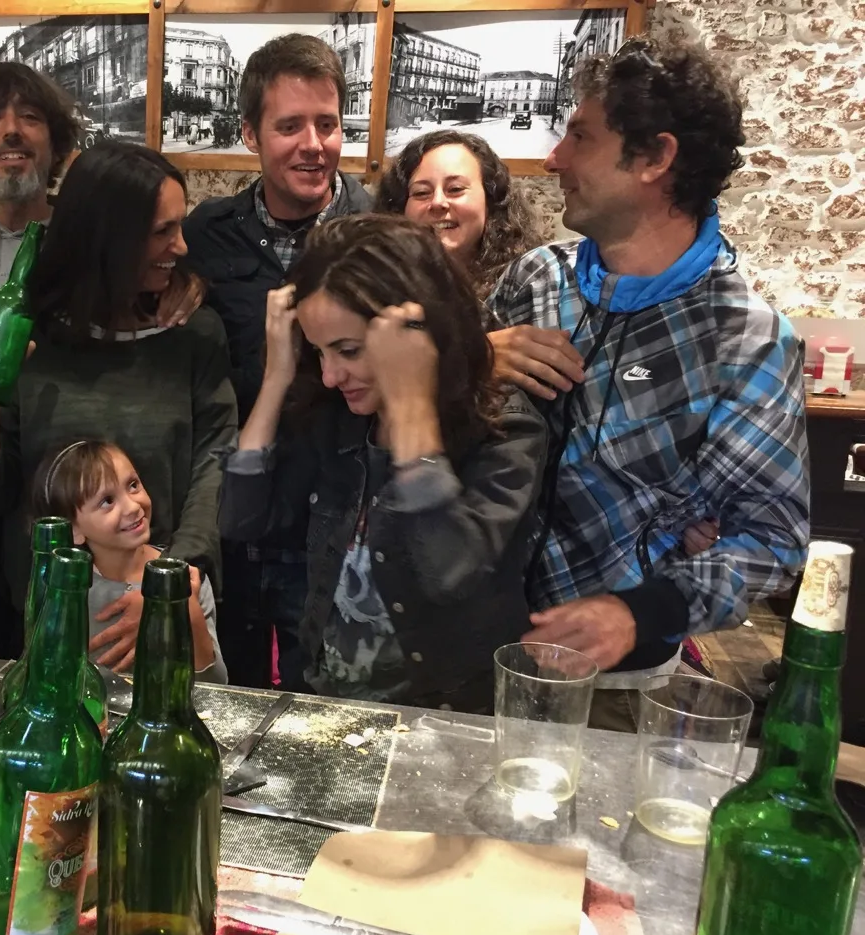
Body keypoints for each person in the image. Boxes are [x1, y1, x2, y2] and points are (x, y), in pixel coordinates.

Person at [486, 36, 811, 730]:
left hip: (617, 692)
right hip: (472, 654)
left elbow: (774, 540)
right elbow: (450, 431)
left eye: (581, 136)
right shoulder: (535, 279)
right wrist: (471, 362)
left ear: (655, 158)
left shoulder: (746, 339)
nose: (554, 160)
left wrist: (641, 613)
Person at [218, 215, 547, 711]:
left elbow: (450, 573)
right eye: (319, 352)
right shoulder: (341, 417)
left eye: (348, 351)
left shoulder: (505, 427)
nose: (330, 376)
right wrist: (276, 378)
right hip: (329, 700)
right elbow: (239, 519)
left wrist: (411, 406)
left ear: (416, 332)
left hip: (445, 716)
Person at [0, 141, 237, 667]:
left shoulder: (192, 333)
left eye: (180, 225)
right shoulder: (26, 335)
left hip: (163, 603)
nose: (181, 246)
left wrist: (168, 583)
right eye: (162, 231)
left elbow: (214, 466)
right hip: (50, 615)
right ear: (107, 240)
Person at [182, 33, 373, 693]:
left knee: (321, 708)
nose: (313, 144)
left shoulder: (379, 229)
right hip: (235, 520)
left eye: (328, 124)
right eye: (290, 126)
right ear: (250, 134)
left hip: (336, 524)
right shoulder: (206, 233)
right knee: (219, 698)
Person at [0, 61, 203, 324]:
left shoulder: (91, 238)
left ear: (55, 143)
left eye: (30, 116)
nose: (12, 130)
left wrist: (186, 284)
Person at [31, 439, 228, 683]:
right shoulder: (65, 590)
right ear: (73, 529)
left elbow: (217, 683)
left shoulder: (189, 580)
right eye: (107, 501)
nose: (133, 506)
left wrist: (186, 608)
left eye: (133, 485)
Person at [374, 129, 547, 299]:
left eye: (455, 189)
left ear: (491, 200)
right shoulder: (374, 288)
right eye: (421, 192)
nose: (438, 202)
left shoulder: (529, 281)